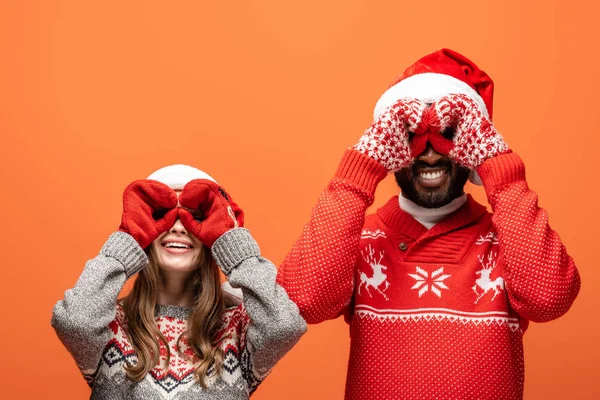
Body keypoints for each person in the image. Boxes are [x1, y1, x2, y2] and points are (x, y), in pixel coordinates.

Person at [277, 49, 581, 399]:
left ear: (474, 146)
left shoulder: (510, 238)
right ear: (387, 146)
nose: (432, 153)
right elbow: (304, 301)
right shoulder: (359, 237)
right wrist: (360, 169)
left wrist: (500, 167)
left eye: (450, 135)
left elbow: (550, 300)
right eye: (410, 136)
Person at [52, 164, 306, 399]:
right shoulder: (109, 325)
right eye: (161, 216)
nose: (178, 227)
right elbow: (74, 322)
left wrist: (232, 240)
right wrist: (127, 237)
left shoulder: (237, 329)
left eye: (194, 218)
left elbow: (284, 327)